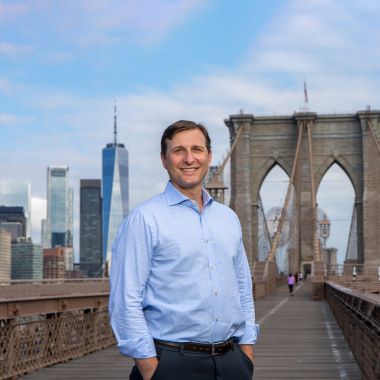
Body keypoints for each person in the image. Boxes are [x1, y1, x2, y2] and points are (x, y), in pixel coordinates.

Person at [109, 120, 259, 380]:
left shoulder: (229, 219)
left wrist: (245, 354)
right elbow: (125, 301)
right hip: (172, 363)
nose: (189, 159)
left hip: (232, 361)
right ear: (164, 159)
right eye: (179, 151)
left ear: (209, 156)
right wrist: (151, 370)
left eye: (197, 150)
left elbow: (243, 289)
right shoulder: (144, 219)